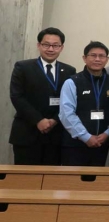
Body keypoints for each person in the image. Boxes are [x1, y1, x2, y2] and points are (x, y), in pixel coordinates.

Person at [9, 27, 76, 165]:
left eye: (55, 45)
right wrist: (38, 120)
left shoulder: (69, 70)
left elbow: (71, 101)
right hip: (27, 132)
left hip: (56, 134)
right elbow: (17, 97)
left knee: (51, 181)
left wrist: (55, 120)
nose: (50, 49)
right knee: (26, 180)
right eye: (46, 45)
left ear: (61, 47)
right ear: (38, 45)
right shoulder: (23, 67)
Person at [59, 41, 109, 166]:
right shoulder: (72, 82)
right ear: (84, 58)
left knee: (101, 184)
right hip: (76, 145)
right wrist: (85, 136)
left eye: (101, 56)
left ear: (107, 59)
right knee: (73, 183)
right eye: (93, 55)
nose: (97, 59)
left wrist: (107, 134)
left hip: (105, 144)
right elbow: (66, 113)